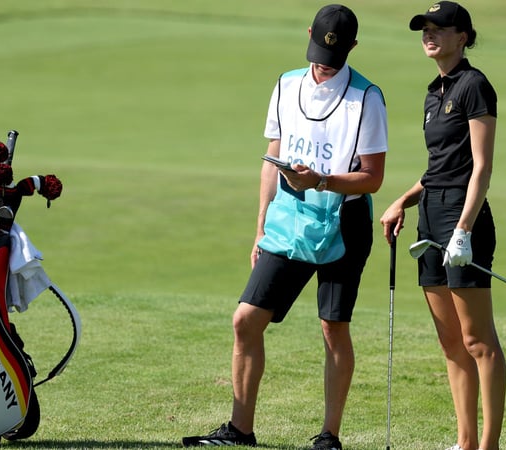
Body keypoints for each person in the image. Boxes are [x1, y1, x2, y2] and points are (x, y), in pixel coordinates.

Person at [182, 4, 388, 449]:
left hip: (344, 221)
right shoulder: (286, 83)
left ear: (352, 47)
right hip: (288, 218)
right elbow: (271, 159)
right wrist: (260, 226)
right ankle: (240, 430)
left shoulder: (368, 98)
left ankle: (329, 436)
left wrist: (322, 180)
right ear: (308, 33)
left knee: (333, 325)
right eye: (317, 51)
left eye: (332, 57)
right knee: (245, 320)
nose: (322, 64)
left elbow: (373, 177)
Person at [379, 2, 506, 450]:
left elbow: (481, 168)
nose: (429, 35)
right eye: (424, 29)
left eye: (439, 29)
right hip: (430, 216)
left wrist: (465, 229)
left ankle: (487, 445)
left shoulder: (475, 86)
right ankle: (465, 442)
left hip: (461, 219)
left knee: (477, 340)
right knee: (451, 342)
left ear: (463, 37)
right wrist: (403, 200)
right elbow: (439, 168)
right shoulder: (435, 90)